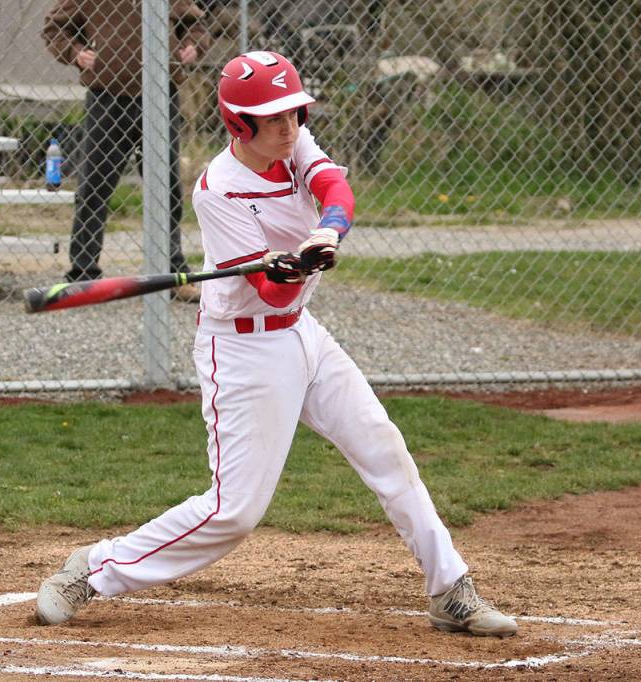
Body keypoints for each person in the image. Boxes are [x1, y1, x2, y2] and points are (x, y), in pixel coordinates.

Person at [34, 51, 517, 638]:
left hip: (305, 338)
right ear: (240, 124)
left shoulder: (294, 144)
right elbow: (271, 294)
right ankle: (93, 569)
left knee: (385, 450)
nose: (289, 127)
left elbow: (335, 187)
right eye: (273, 118)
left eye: (294, 113)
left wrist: (326, 233)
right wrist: (287, 271)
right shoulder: (219, 191)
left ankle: (449, 589)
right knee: (234, 511)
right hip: (243, 353)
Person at [42, 0, 212, 301]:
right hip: (107, 96)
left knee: (166, 187)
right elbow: (54, 27)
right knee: (94, 185)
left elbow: (197, 26)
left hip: (161, 93)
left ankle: (172, 272)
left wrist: (192, 45)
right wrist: (75, 52)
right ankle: (83, 274)